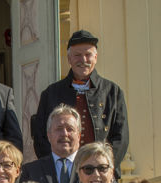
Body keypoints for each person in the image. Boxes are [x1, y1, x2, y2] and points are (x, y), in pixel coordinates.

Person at [32, 30, 128, 169]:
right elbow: (40, 136)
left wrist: (105, 167)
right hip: (63, 173)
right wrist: (56, 168)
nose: (83, 60)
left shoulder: (112, 92)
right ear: (69, 59)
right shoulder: (51, 93)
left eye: (88, 55)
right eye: (77, 55)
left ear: (95, 57)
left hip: (101, 172)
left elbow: (121, 137)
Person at [20, 104, 85, 183]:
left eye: (70, 129)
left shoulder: (93, 169)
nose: (64, 134)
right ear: (49, 135)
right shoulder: (30, 171)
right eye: (59, 129)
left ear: (79, 136)